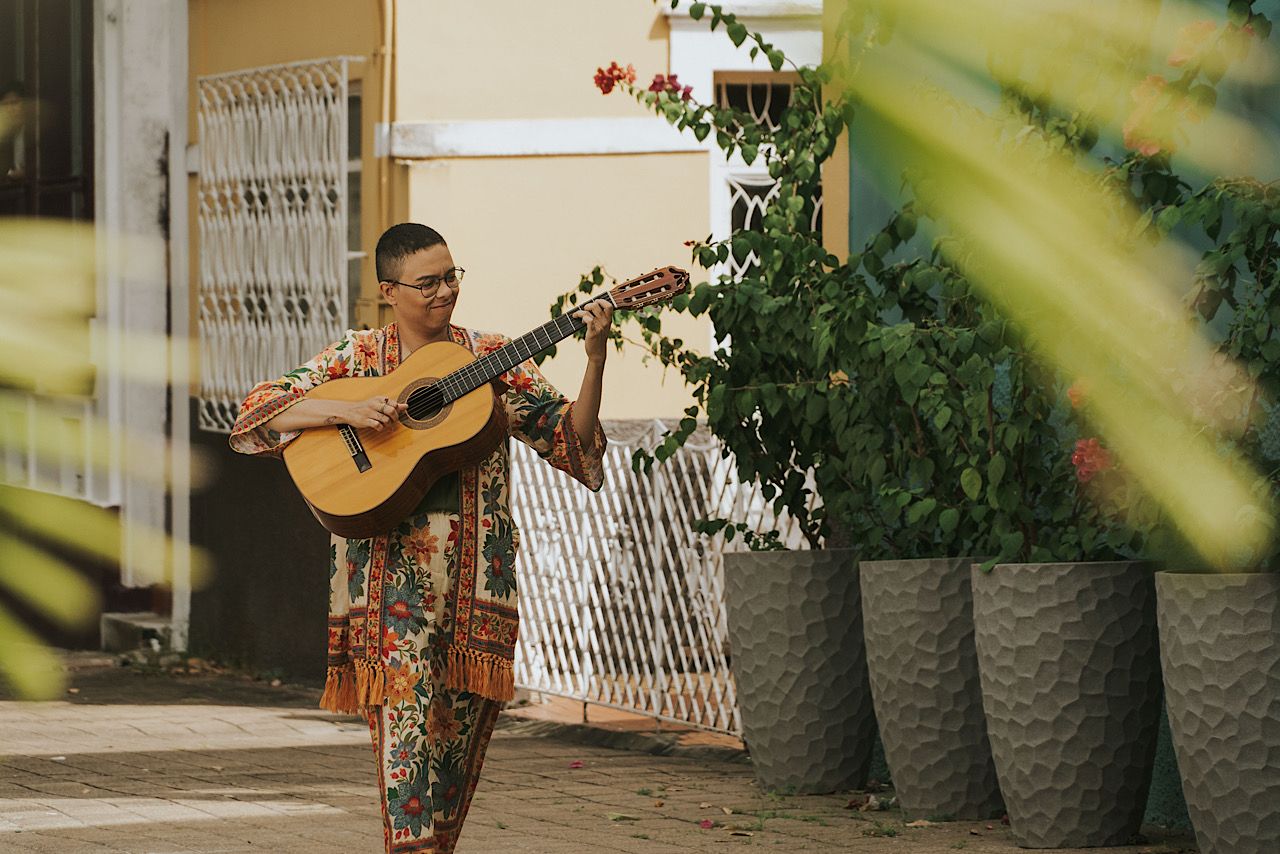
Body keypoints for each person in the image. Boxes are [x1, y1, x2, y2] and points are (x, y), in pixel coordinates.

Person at [228, 223, 612, 853]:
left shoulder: (492, 358)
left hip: (474, 586)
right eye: (427, 282)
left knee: (453, 748)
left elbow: (571, 441)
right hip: (386, 586)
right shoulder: (354, 360)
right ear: (389, 291)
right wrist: (345, 410)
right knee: (406, 739)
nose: (444, 293)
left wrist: (594, 356)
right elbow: (256, 415)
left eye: (451, 277)